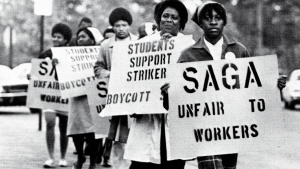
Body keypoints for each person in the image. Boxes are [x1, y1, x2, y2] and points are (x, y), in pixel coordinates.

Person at [161, 1, 287, 169]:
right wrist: (169, 93)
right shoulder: (188, 55)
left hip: (232, 130)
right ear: (200, 23)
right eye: (207, 18)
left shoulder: (239, 51)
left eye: (218, 18)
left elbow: (254, 92)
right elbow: (174, 106)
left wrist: (274, 87)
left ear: (224, 22)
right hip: (204, 131)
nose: (213, 22)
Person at [123, 1, 194, 169]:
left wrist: (176, 86)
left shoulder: (190, 48)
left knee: (172, 163)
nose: (169, 20)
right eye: (165, 16)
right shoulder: (141, 46)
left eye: (175, 17)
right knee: (142, 162)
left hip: (175, 120)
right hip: (146, 118)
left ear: (181, 22)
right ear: (158, 19)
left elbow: (195, 87)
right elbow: (129, 81)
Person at [94, 7, 138, 169]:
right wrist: (112, 74)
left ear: (129, 26)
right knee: (118, 135)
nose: (121, 29)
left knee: (133, 133)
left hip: (134, 96)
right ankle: (119, 165)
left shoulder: (139, 43)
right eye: (118, 25)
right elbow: (98, 69)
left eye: (124, 25)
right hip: (114, 97)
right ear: (112, 27)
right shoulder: (106, 45)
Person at [66, 27, 103, 169]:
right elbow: (61, 77)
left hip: (93, 96)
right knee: (76, 129)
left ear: (92, 40)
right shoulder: (69, 55)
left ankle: (93, 162)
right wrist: (57, 64)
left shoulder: (100, 53)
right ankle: (80, 156)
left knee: (93, 130)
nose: (80, 39)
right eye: (78, 37)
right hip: (77, 97)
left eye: (84, 37)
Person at [39, 23, 73, 168]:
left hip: (64, 95)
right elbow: (38, 74)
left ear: (66, 40)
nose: (55, 39)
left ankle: (63, 157)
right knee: (50, 123)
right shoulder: (45, 54)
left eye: (59, 37)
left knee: (64, 127)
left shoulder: (71, 54)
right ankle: (50, 156)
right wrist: (31, 76)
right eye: (54, 36)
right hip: (50, 94)